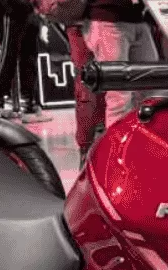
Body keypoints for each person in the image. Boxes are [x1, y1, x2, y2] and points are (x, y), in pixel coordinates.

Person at [82, 0, 158, 128]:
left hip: (137, 18)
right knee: (119, 96)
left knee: (150, 88)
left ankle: (139, 136)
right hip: (107, 18)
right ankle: (119, 139)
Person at [0, 0, 50, 122]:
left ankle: (29, 105)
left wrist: (41, 17)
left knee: (29, 60)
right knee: (9, 56)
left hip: (30, 13)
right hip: (14, 12)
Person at [66, 22, 105, 166]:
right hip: (84, 22)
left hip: (108, 20)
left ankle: (87, 150)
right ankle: (86, 151)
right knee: (88, 82)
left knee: (90, 82)